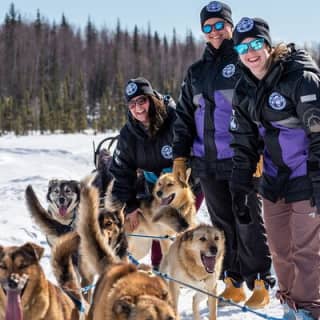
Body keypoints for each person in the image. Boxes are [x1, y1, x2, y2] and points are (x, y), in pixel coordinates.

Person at [172, 1, 274, 309]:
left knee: (248, 220)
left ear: (230, 26)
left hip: (241, 159)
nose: (215, 31)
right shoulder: (196, 72)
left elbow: (258, 109)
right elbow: (184, 118)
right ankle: (232, 279)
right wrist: (180, 156)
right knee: (221, 225)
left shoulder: (245, 60)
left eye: (220, 25)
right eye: (208, 27)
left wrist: (260, 149)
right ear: (203, 31)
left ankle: (260, 281)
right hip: (207, 161)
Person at [231, 17, 320, 319]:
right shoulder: (244, 89)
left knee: (306, 253)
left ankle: (309, 310)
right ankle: (289, 305)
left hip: (306, 179)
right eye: (242, 47)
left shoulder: (300, 78)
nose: (250, 52)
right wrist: (240, 186)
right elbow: (243, 143)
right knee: (281, 253)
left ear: (268, 45)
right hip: (272, 182)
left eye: (256, 44)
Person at [108, 77, 203, 270]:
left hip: (188, 185)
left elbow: (198, 151)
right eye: (132, 104)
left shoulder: (176, 119)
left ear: (152, 99)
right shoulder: (128, 134)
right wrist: (131, 205)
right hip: (156, 190)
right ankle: (162, 275)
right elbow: (121, 173)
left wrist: (185, 179)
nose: (138, 108)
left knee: (181, 229)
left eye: (142, 100)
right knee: (160, 234)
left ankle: (194, 271)